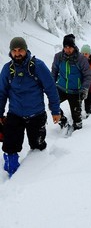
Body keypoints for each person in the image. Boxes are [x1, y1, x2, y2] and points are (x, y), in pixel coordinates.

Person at [0, 37, 61, 177]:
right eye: (14, 51)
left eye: (20, 50)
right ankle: (11, 173)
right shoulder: (7, 69)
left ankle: (35, 179)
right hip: (15, 114)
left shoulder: (37, 66)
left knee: (38, 146)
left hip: (36, 115)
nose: (17, 53)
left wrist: (55, 111)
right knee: (10, 147)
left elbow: (51, 89)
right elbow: (1, 93)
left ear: (26, 49)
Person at [51, 34, 91, 131]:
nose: (67, 49)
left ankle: (77, 135)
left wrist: (84, 89)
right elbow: (53, 73)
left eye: (70, 47)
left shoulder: (81, 59)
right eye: (65, 47)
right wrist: (50, 87)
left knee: (76, 118)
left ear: (74, 47)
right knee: (52, 105)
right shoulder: (58, 57)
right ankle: (63, 122)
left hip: (75, 91)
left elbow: (87, 75)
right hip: (61, 88)